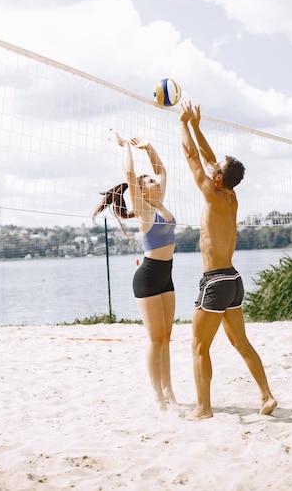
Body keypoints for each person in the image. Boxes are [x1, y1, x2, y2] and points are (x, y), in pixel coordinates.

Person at [179, 101, 277, 419]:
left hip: (216, 281)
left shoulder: (210, 191)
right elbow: (208, 159)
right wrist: (197, 125)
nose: (212, 168)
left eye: (216, 170)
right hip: (233, 281)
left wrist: (181, 123)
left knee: (198, 347)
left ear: (218, 179)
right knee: (241, 342)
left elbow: (195, 158)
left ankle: (203, 408)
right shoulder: (231, 195)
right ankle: (267, 396)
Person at [93, 133, 177, 411]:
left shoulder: (160, 205)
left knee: (166, 337)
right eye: (149, 181)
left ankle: (169, 389)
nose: (155, 181)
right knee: (155, 339)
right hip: (149, 276)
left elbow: (162, 170)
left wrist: (149, 148)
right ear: (141, 191)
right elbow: (129, 174)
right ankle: (157, 394)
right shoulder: (143, 210)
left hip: (167, 274)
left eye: (154, 181)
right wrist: (127, 147)